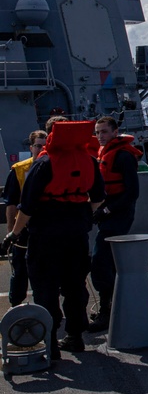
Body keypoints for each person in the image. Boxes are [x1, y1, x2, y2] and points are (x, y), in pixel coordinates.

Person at [1, 120, 104, 358]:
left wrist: (13, 234)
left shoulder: (44, 164)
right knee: (75, 286)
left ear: (51, 136)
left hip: (45, 236)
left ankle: (50, 340)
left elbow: (26, 206)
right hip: (77, 235)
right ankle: (75, 336)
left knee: (45, 289)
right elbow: (98, 200)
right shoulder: (89, 161)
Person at [88, 116, 141, 332]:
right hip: (109, 213)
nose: (100, 136)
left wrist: (106, 210)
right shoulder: (105, 153)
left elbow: (132, 193)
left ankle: (106, 312)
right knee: (108, 264)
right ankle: (112, 307)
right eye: (97, 132)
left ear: (115, 132)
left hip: (119, 215)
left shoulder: (123, 157)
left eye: (104, 132)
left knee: (100, 262)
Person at [2, 129, 47, 306]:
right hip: (24, 230)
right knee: (20, 270)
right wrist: (12, 231)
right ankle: (16, 307)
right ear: (31, 147)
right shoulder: (20, 170)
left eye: (44, 146)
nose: (41, 149)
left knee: (43, 272)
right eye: (37, 146)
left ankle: (44, 308)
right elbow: (11, 203)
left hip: (47, 228)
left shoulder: (54, 168)